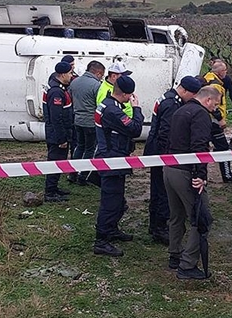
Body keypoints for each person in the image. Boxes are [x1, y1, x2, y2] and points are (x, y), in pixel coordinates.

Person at [165, 86, 221, 280]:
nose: (216, 107)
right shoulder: (201, 115)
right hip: (186, 172)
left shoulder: (180, 110)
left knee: (176, 215)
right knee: (202, 218)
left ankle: (175, 255)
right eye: (216, 103)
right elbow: (199, 146)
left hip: (169, 168)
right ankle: (187, 264)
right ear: (207, 100)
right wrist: (200, 174)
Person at [144, 76, 201, 245]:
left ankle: (156, 224)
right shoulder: (171, 104)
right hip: (162, 153)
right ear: (183, 90)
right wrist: (170, 156)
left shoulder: (169, 98)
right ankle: (160, 228)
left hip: (157, 151)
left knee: (158, 189)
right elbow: (166, 133)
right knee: (162, 191)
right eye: (193, 94)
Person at [93, 75, 144, 257]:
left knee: (117, 200)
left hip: (114, 157)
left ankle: (111, 229)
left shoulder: (109, 104)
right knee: (111, 202)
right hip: (111, 160)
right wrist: (137, 109)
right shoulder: (113, 111)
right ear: (125, 95)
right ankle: (101, 240)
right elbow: (135, 129)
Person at [203, 61, 232, 183]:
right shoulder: (216, 86)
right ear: (220, 72)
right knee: (224, 148)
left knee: (203, 148)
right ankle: (227, 175)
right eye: (225, 70)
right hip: (214, 122)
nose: (226, 72)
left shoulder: (207, 78)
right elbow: (214, 106)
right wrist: (220, 119)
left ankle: (202, 176)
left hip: (204, 121)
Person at [69, 60, 105, 185]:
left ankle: (72, 173)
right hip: (90, 122)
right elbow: (99, 104)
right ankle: (83, 175)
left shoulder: (74, 82)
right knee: (90, 149)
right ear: (98, 73)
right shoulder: (96, 85)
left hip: (77, 120)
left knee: (79, 146)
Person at [43, 61, 75, 202]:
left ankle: (54, 187)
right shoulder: (57, 92)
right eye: (69, 73)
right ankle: (50, 192)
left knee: (58, 162)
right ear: (62, 75)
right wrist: (62, 139)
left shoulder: (57, 87)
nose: (71, 76)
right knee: (55, 161)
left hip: (56, 132)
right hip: (57, 135)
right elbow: (57, 117)